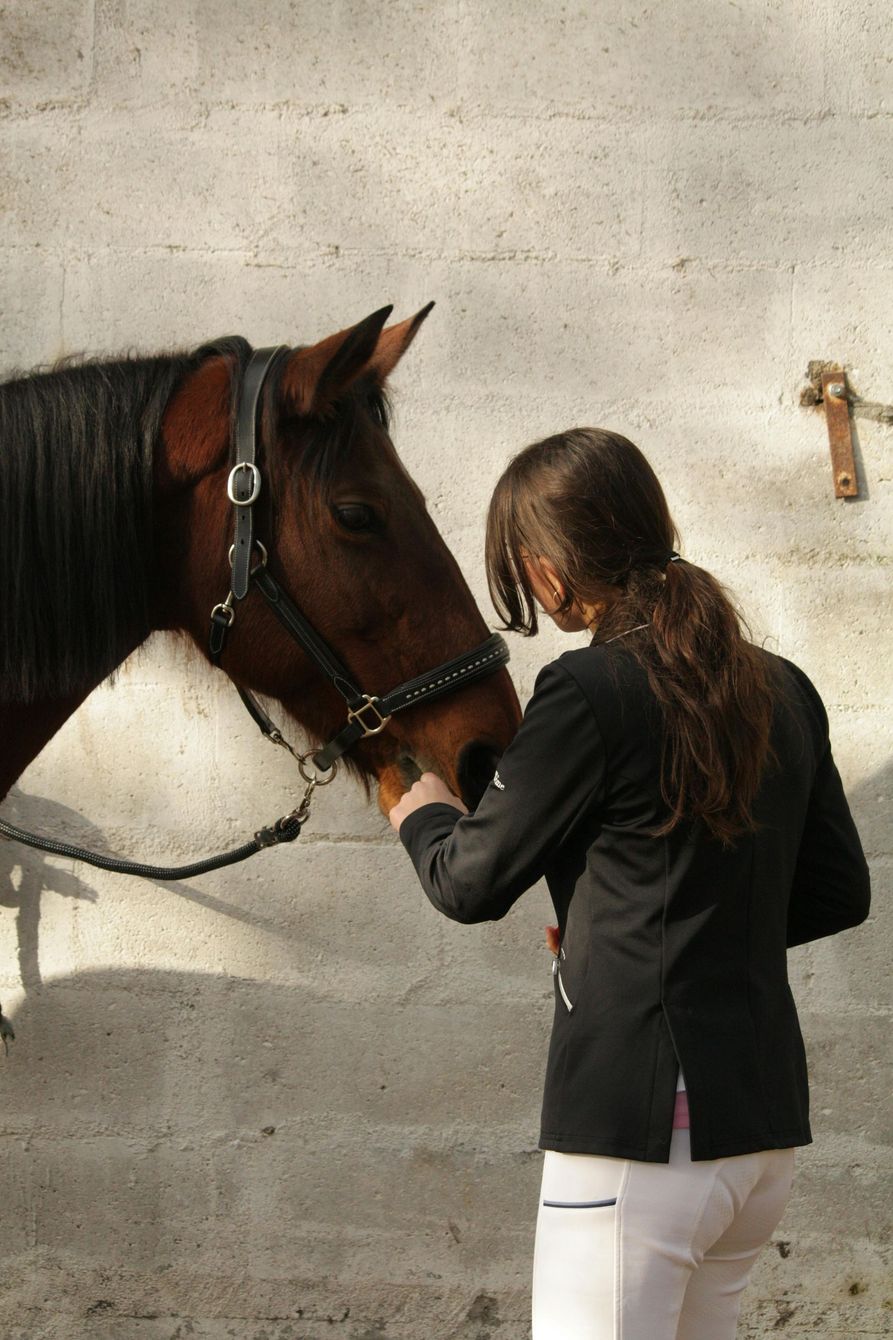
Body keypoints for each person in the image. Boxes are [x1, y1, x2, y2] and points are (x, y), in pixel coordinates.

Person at [387, 428, 870, 1340]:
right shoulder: (782, 685)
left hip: (643, 1138)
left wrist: (416, 809)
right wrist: (638, 933)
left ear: (548, 569)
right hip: (757, 1139)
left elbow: (467, 881)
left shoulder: (586, 690)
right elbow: (836, 891)